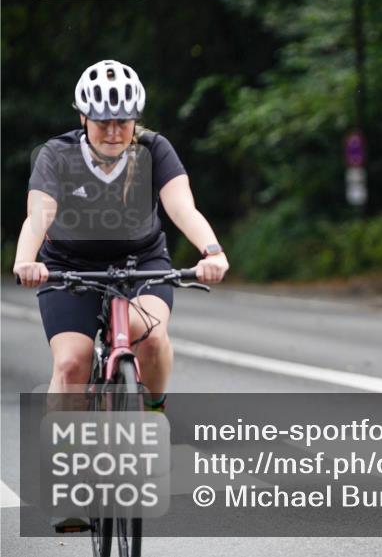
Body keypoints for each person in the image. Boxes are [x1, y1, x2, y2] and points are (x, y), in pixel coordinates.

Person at [12, 60, 229, 516]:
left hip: (141, 263)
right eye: (104, 121)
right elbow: (40, 214)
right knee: (70, 364)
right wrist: (25, 259)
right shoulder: (57, 154)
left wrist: (211, 251)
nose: (114, 130)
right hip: (69, 268)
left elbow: (181, 206)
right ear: (83, 118)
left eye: (123, 121)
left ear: (136, 119)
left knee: (148, 335)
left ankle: (152, 417)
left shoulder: (155, 150)